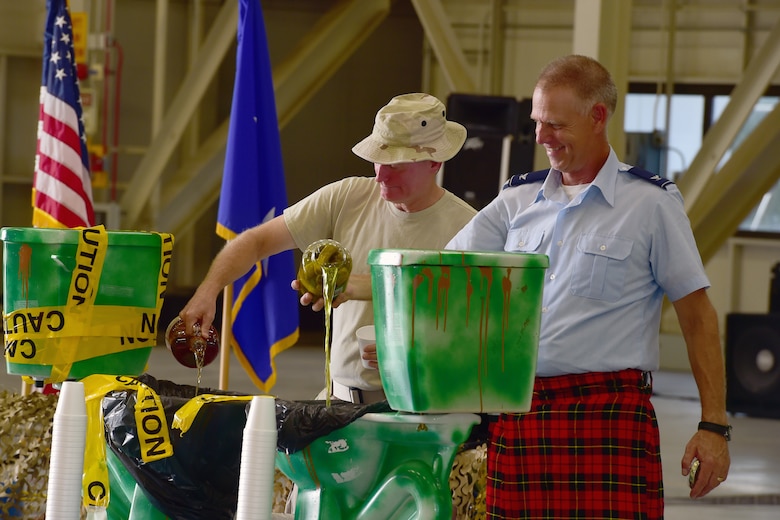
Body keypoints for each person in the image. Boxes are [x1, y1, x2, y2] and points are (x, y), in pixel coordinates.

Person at [446, 55, 731, 517]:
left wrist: (714, 426)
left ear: (598, 117)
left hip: (608, 419)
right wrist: (345, 290)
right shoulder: (516, 200)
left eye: (555, 124)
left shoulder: (651, 205)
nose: (540, 138)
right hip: (518, 418)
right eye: (537, 122)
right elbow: (438, 274)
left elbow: (698, 317)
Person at [180, 92, 477, 404]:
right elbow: (255, 242)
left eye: (397, 164)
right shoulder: (347, 197)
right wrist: (207, 292)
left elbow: (474, 336)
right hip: (338, 402)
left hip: (419, 415)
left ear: (435, 161)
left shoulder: (468, 231)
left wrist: (412, 347)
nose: (381, 175)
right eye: (378, 159)